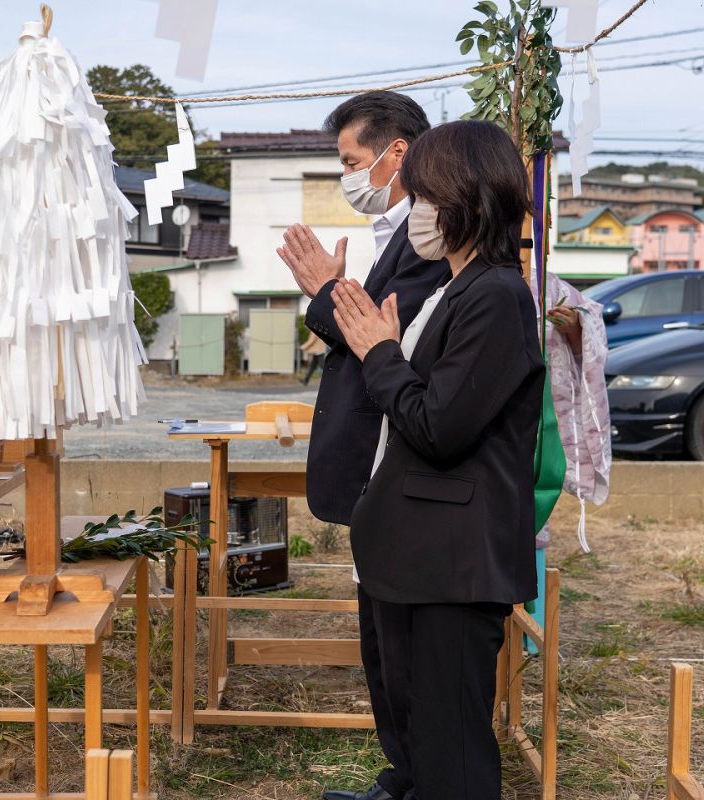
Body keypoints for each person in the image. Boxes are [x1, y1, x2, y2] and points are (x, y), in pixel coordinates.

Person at [330, 119, 544, 800]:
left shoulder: (497, 297)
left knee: (452, 744)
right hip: (418, 551)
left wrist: (379, 353)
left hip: (454, 562)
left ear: (462, 201)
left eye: (423, 198)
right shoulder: (457, 290)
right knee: (417, 717)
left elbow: (439, 426)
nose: (415, 214)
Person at [276, 91, 448, 800]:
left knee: (403, 651)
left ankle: (416, 779)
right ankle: (400, 777)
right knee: (381, 642)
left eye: (352, 162)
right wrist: (332, 298)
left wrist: (325, 293)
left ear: (396, 153)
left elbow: (388, 343)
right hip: (382, 471)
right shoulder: (396, 233)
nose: (348, 177)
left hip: (408, 471)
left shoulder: (432, 237)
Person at [528, 272, 611, 642]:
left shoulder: (550, 287)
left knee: (533, 517)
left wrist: (575, 328)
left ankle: (531, 634)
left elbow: (590, 341)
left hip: (535, 419)